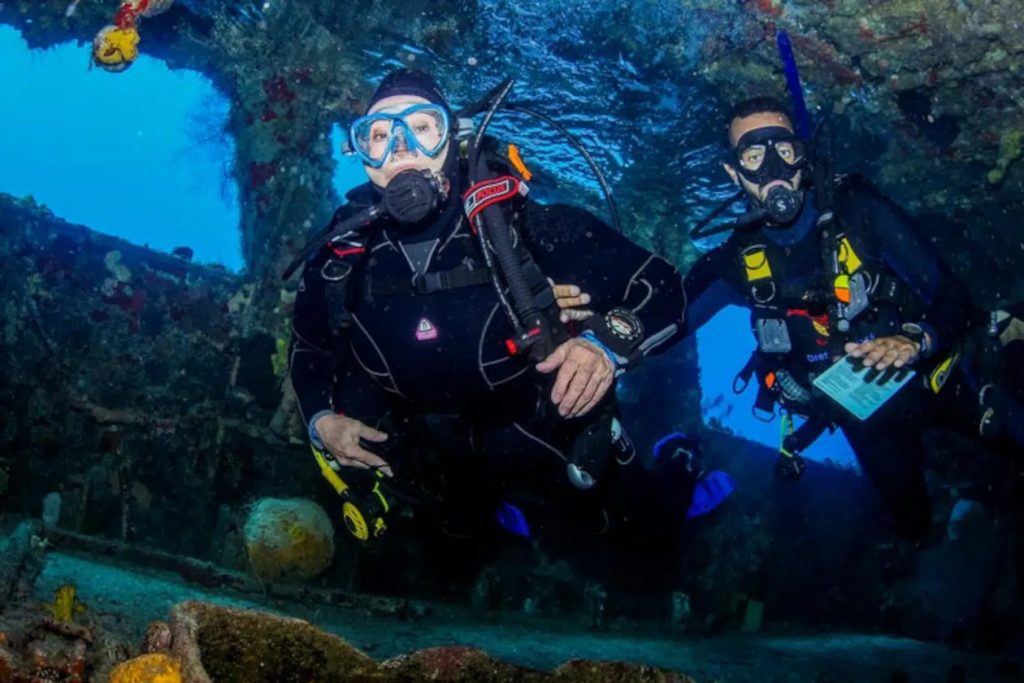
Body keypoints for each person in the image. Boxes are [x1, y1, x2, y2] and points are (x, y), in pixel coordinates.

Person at [287, 69, 693, 583]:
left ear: (453, 139)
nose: (402, 148)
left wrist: (604, 346)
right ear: (362, 152)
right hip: (435, 451)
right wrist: (321, 419)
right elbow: (309, 345)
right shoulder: (341, 255)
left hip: (543, 425)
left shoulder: (520, 226)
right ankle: (500, 531)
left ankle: (680, 462)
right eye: (380, 135)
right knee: (451, 557)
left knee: (636, 538)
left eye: (423, 127)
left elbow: (663, 287)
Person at [619, 96, 972, 541]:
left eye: (782, 150)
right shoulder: (734, 262)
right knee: (914, 524)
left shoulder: (857, 209)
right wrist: (597, 329)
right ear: (734, 173)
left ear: (802, 156)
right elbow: (665, 327)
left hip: (932, 378)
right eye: (752, 156)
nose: (772, 170)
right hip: (860, 413)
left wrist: (916, 339)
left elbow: (955, 297)